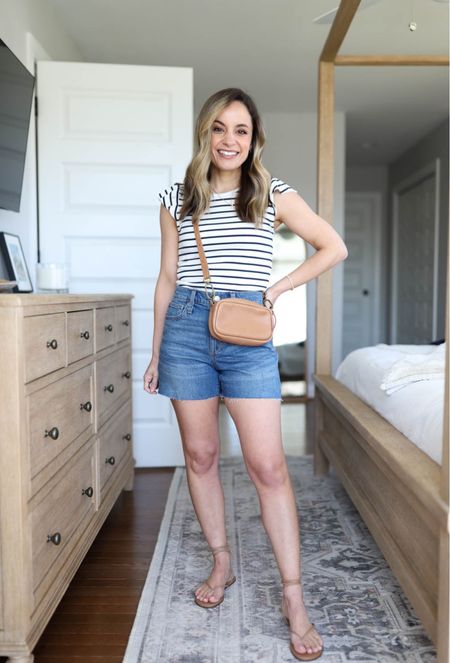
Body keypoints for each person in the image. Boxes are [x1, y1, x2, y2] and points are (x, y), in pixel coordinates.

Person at [143, 87, 347, 661]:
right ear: (204, 133)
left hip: (248, 333)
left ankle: (292, 595)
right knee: (201, 457)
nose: (229, 140)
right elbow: (166, 277)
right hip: (185, 327)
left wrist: (278, 287)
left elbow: (333, 246)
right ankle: (222, 561)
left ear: (254, 139)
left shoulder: (273, 193)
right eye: (218, 128)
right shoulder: (176, 196)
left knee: (268, 466)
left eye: (241, 130)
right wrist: (157, 352)